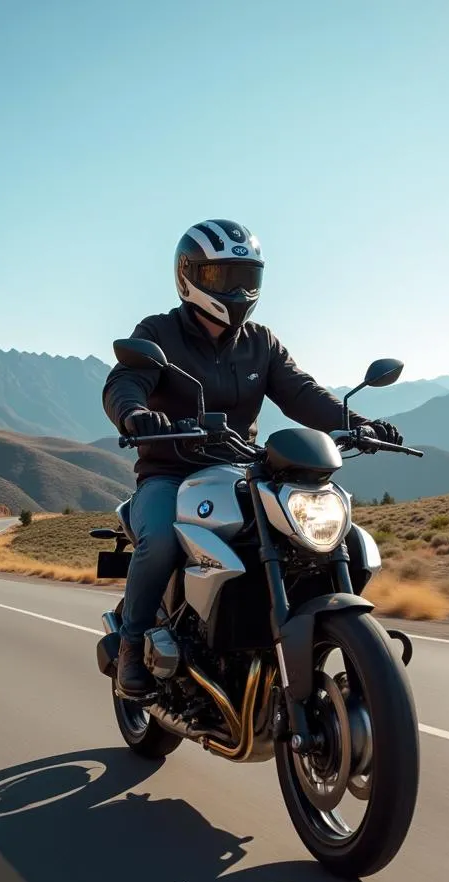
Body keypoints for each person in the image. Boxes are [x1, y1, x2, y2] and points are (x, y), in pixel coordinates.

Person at [103, 219, 402, 700]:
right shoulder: (158, 333)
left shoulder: (261, 342)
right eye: (225, 278)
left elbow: (302, 393)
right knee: (158, 539)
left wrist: (358, 421)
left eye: (248, 277)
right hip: (172, 472)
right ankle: (132, 647)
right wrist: (135, 414)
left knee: (317, 536)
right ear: (190, 277)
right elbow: (125, 383)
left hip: (243, 471)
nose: (239, 290)